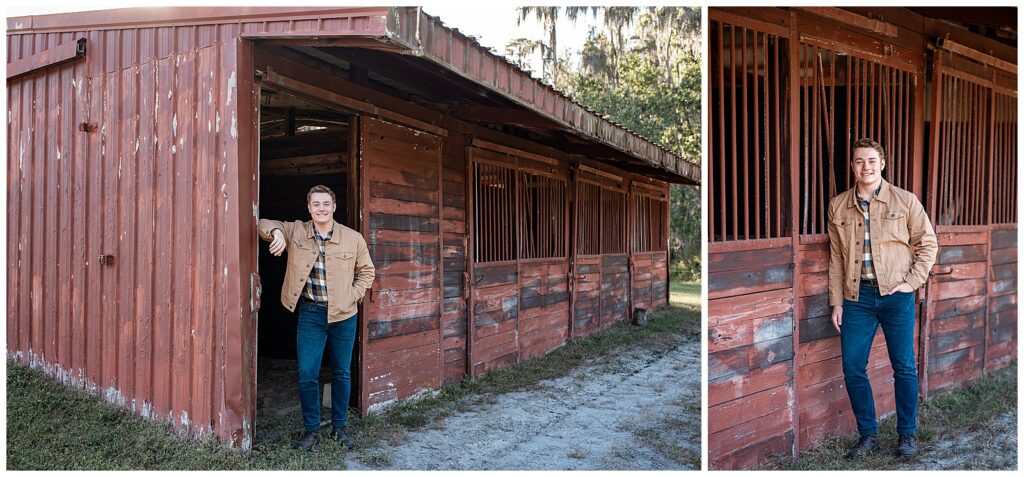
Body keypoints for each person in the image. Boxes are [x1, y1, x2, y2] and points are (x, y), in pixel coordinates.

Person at [827, 138, 937, 459]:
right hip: (856, 297)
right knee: (852, 366)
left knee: (903, 366)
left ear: (883, 164)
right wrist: (837, 301)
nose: (866, 166)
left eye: (872, 160)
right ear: (852, 166)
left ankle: (907, 435)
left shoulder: (905, 201)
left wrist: (912, 282)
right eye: (860, 161)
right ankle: (868, 435)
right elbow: (836, 257)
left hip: (896, 296)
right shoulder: (838, 206)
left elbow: (928, 243)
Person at [258, 185, 375, 451]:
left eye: (326, 204)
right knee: (307, 372)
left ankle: (340, 427)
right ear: (308, 208)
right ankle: (311, 430)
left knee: (342, 372)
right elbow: (261, 223)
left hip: (344, 314)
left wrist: (352, 296)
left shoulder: (352, 238)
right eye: (316, 204)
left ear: (334, 207)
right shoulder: (297, 230)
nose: (321, 208)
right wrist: (277, 232)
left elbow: (367, 271)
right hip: (311, 312)